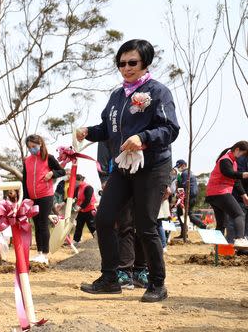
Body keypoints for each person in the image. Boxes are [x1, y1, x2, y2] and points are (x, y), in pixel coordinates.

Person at [76, 39, 180, 303]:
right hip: (123, 166)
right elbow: (107, 129)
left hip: (152, 166)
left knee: (145, 226)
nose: (126, 68)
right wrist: (89, 132)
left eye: (132, 62)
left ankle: (157, 283)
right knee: (104, 218)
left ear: (145, 63)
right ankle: (111, 278)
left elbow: (170, 129)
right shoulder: (116, 96)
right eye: (121, 63)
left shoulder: (158, 92)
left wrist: (143, 137)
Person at [22, 134, 66, 264]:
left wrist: (52, 173)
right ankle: (39, 252)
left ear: (40, 144)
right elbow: (25, 180)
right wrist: (25, 199)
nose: (32, 149)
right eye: (29, 147)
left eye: (34, 146)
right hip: (32, 197)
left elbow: (62, 171)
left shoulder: (49, 158)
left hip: (45, 195)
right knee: (36, 224)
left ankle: (45, 254)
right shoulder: (27, 161)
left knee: (43, 223)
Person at [205, 141, 248, 246]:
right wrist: (244, 174)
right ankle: (240, 239)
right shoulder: (225, 160)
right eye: (243, 154)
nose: (243, 157)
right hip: (220, 193)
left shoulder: (232, 161)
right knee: (239, 214)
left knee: (221, 223)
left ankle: (217, 249)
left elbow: (235, 179)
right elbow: (228, 173)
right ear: (237, 150)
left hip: (213, 194)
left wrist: (243, 195)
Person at [172, 159, 206, 236]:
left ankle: (186, 232)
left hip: (187, 197)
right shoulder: (187, 173)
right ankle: (187, 231)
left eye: (179, 166)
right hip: (192, 196)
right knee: (187, 214)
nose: (178, 168)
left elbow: (183, 186)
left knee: (181, 214)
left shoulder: (185, 173)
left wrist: (178, 194)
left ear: (184, 165)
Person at [72, 174, 96, 244]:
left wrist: (80, 207)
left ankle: (98, 239)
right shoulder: (78, 188)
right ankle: (76, 240)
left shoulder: (88, 187)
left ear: (81, 180)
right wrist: (63, 203)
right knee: (79, 225)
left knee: (92, 226)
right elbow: (73, 197)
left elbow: (87, 200)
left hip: (90, 210)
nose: (75, 183)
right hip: (82, 210)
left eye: (76, 182)